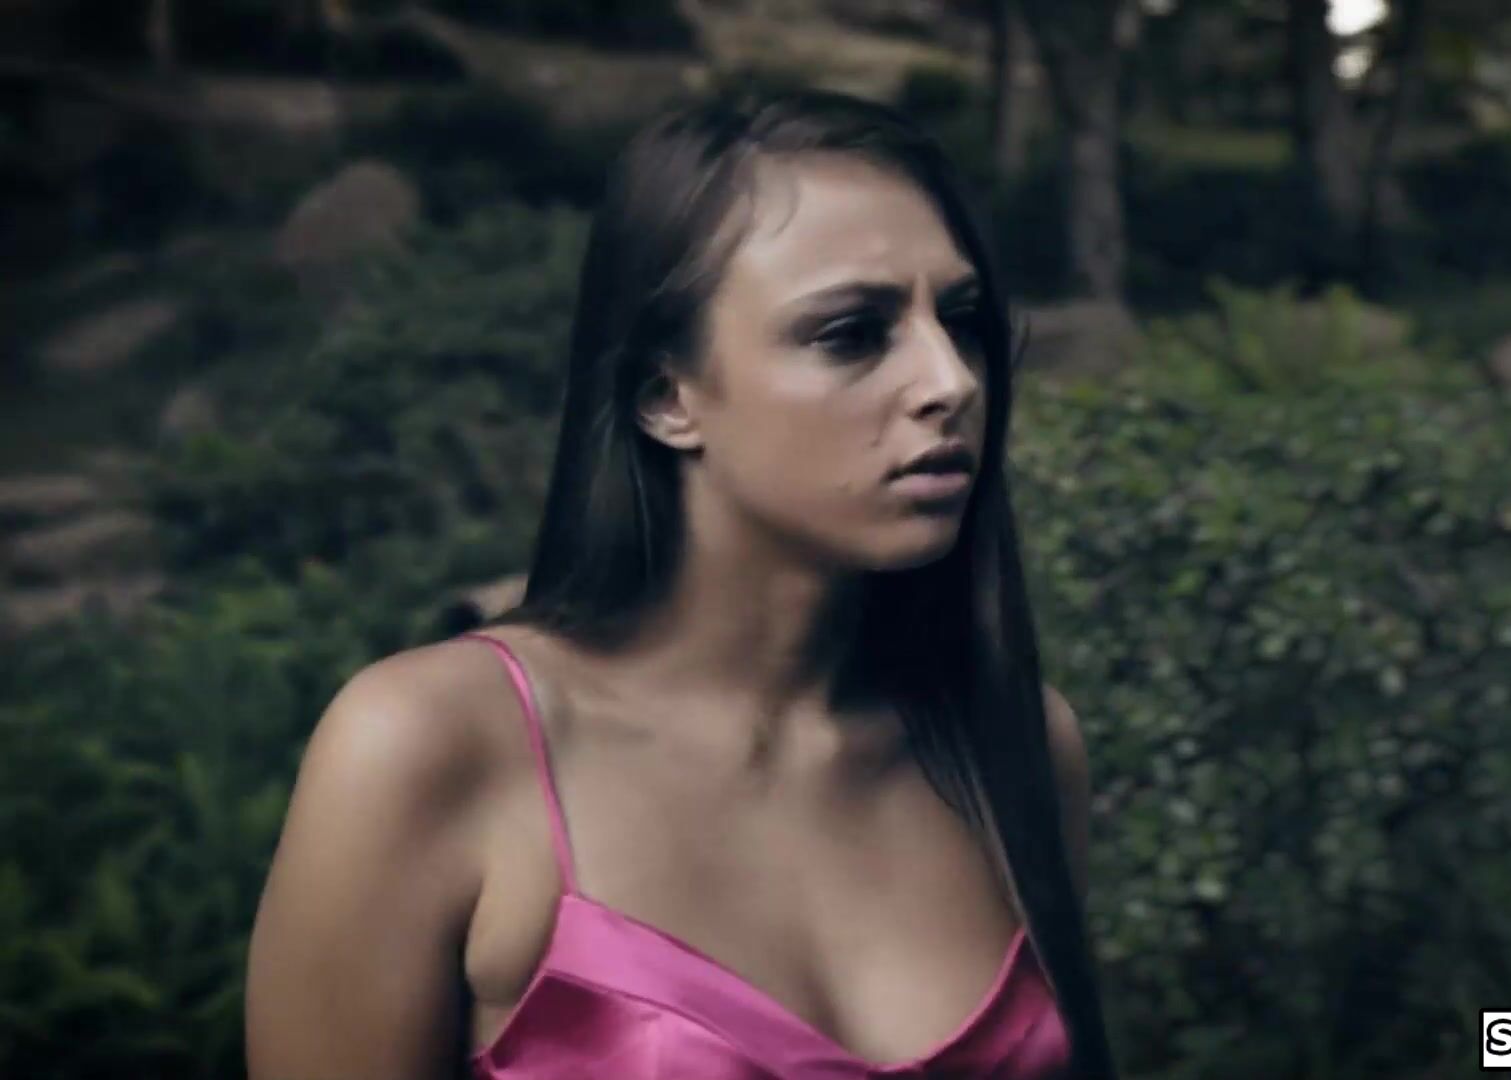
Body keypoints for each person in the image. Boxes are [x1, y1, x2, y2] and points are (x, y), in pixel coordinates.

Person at [243, 88, 1115, 1079]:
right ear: (668, 397)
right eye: (851, 332)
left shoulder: (1015, 746)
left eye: (960, 320)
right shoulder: (430, 746)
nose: (950, 381)